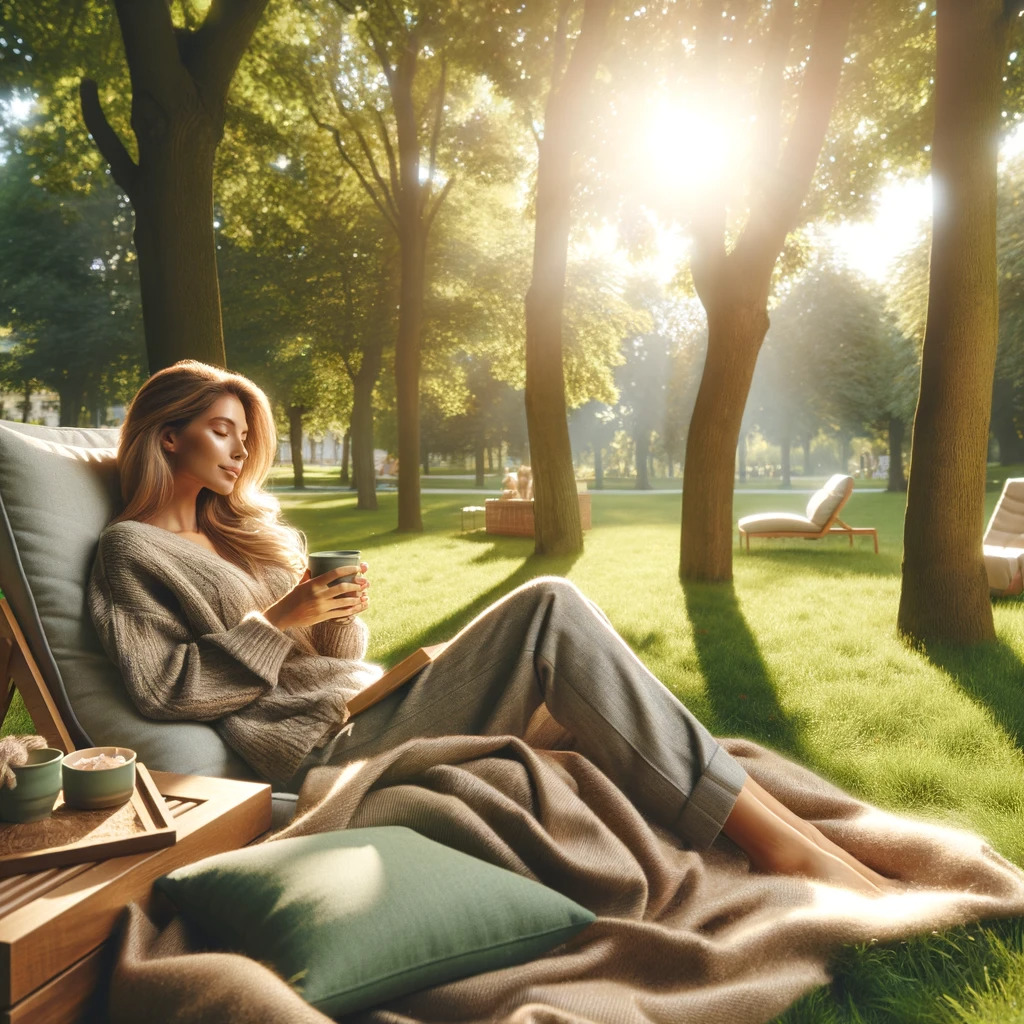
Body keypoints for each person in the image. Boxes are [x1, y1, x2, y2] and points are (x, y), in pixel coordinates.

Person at [88, 360, 893, 895]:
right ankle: (785, 851)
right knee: (549, 606)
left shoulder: (240, 532)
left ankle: (800, 840)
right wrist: (281, 618)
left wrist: (333, 613)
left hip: (374, 702)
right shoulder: (132, 551)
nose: (241, 450)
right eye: (223, 431)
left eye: (244, 433)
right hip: (328, 750)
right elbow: (163, 689)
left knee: (583, 670)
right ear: (169, 434)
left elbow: (327, 657)